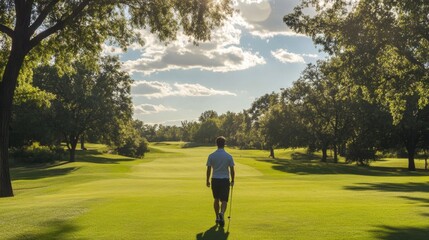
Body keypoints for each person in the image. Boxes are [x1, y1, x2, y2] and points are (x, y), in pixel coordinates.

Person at [206, 136, 235, 227]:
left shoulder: (211, 155)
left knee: (216, 199)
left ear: (216, 144)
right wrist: (233, 180)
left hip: (215, 179)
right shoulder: (228, 156)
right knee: (224, 200)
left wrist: (207, 180)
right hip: (225, 180)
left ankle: (217, 217)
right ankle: (222, 213)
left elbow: (209, 169)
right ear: (224, 144)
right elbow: (232, 170)